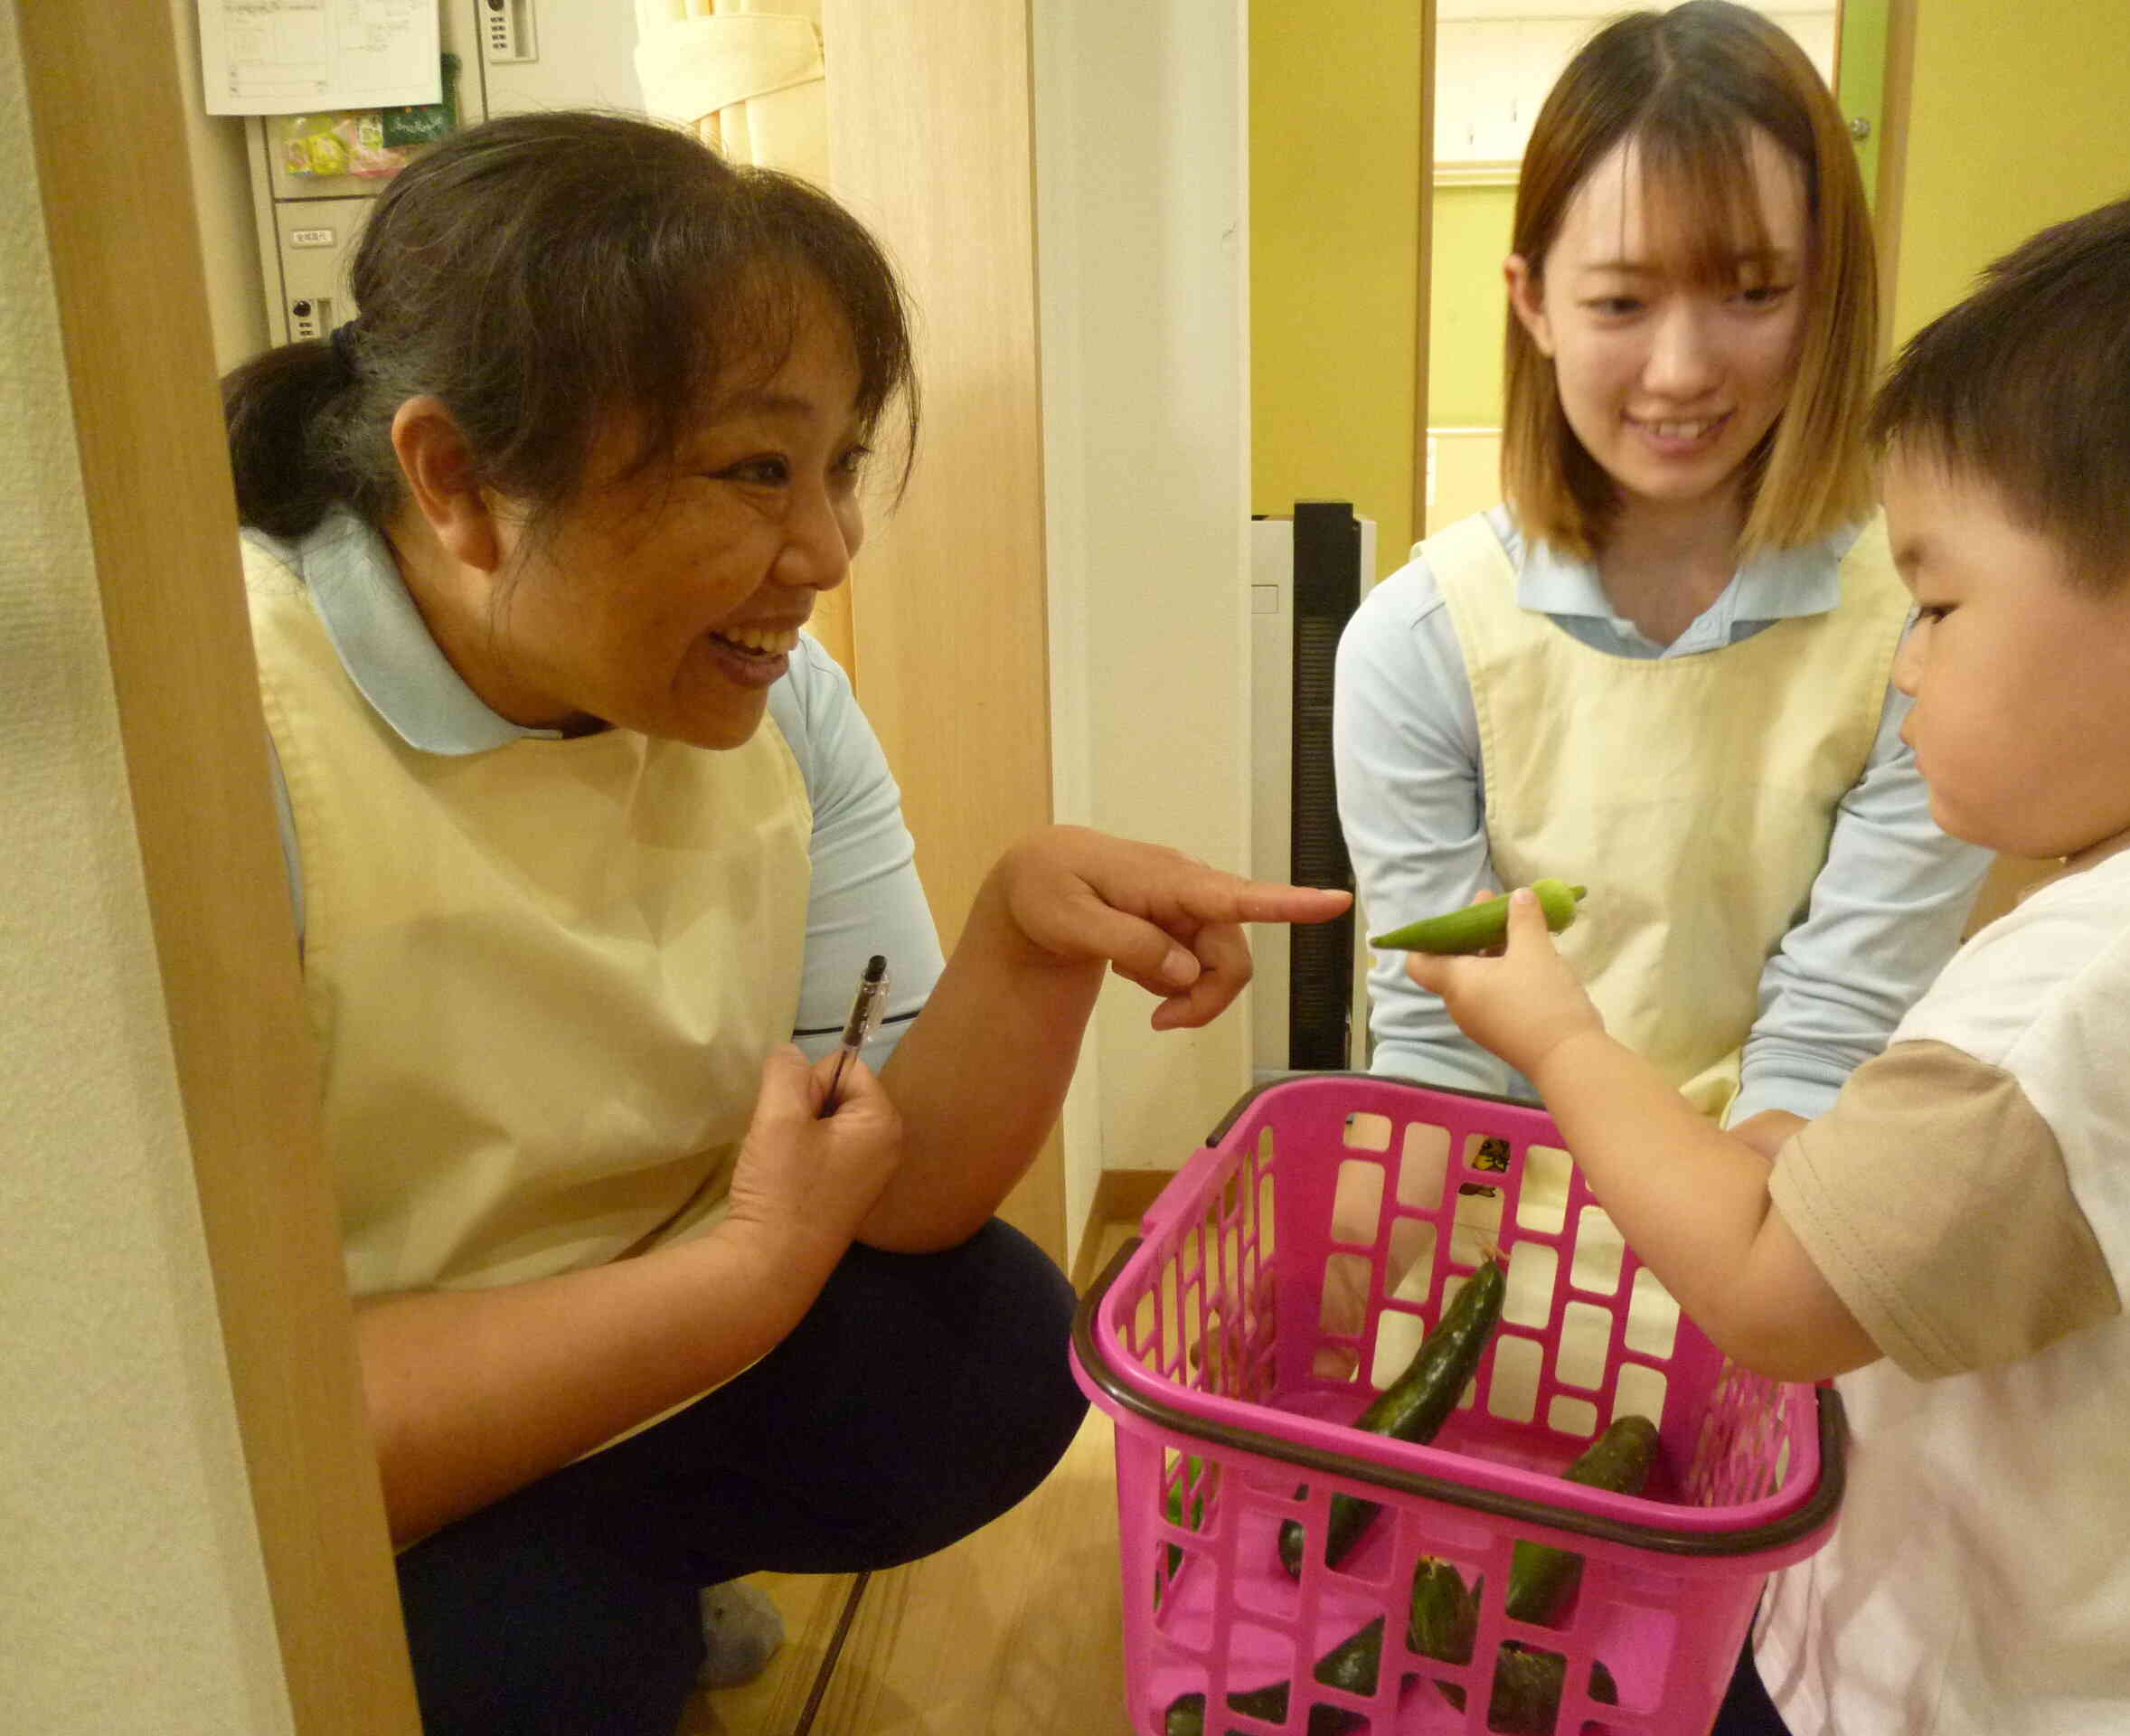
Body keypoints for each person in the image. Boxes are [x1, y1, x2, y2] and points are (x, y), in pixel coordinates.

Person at [221, 110, 1349, 1736]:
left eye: (832, 469)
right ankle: (589, 1596)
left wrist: (1024, 939)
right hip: (371, 1443)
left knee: (993, 1347)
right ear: (456, 480)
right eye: (757, 470)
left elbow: (903, 1193)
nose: (824, 552)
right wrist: (741, 1277)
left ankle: (624, 1564)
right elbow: (236, 1434)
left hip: (662, 1331)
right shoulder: (232, 744)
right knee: (528, 1674)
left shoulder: (776, 698)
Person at [1407, 173, 2130, 1733]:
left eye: (1943, 605)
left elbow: (1771, 1285)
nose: (1906, 665)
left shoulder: (2108, 981)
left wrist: (1561, 1039)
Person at [1334, 2, 1988, 1168]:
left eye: (1752, 293)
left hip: (1782, 1185)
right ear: (1532, 300)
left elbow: (1834, 1029)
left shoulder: (1923, 637)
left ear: (1824, 289)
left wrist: (1725, 1277)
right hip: (1500, 1185)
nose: (1681, 372)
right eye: (1622, 303)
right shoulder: (1420, 642)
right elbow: (1443, 1030)